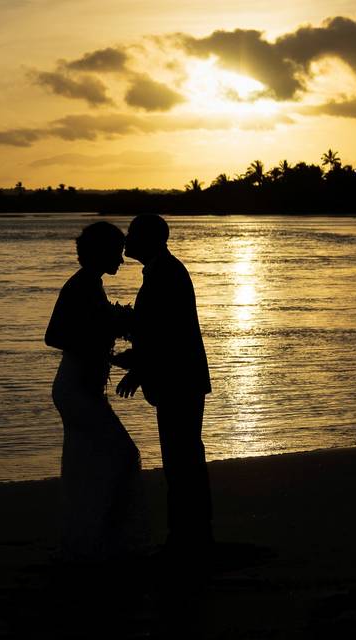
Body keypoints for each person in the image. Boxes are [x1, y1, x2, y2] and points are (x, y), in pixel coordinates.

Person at [45, 221, 148, 563]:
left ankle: (88, 539)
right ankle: (102, 539)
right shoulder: (81, 286)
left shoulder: (90, 285)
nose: (121, 258)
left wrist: (106, 346)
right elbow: (55, 336)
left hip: (80, 387)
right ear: (102, 252)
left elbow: (88, 335)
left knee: (87, 461)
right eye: (117, 251)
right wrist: (103, 336)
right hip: (76, 388)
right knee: (122, 455)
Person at [115, 214, 213, 557]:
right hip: (179, 379)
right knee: (183, 460)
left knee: (182, 461)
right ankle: (190, 535)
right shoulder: (163, 270)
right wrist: (134, 360)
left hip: (179, 381)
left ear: (149, 240)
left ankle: (188, 538)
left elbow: (166, 336)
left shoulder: (165, 273)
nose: (126, 241)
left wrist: (137, 368)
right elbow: (157, 332)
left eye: (132, 234)